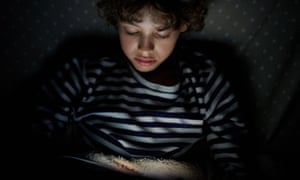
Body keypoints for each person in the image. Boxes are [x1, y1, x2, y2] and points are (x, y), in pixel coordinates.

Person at [31, 0, 249, 179]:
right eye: (132, 31)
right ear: (117, 22)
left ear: (182, 25)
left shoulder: (205, 77)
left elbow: (231, 149)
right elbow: (36, 131)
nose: (145, 48)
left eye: (161, 33)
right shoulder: (86, 69)